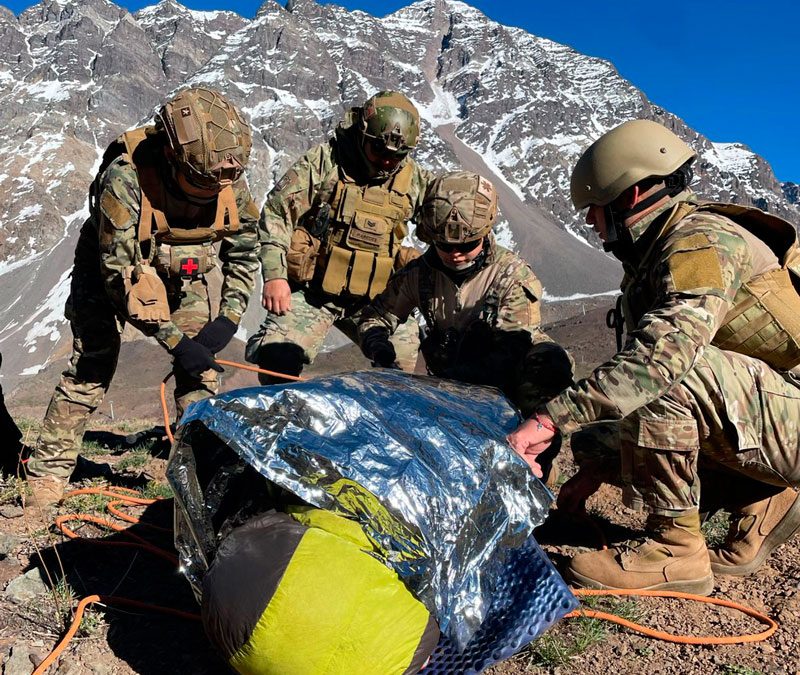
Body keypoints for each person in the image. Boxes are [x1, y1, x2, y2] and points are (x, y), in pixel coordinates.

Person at [508, 119, 800, 594]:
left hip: (787, 414)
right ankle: (760, 492)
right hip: (773, 413)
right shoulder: (656, 253)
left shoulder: (700, 241)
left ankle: (678, 554)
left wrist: (548, 419)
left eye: (595, 209)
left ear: (632, 195)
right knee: (598, 441)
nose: (589, 223)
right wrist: (592, 470)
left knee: (659, 376)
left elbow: (662, 362)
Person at [26, 87, 260, 509]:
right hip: (109, 270)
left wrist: (228, 318)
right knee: (92, 365)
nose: (211, 192)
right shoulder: (126, 178)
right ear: (173, 157)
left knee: (203, 374)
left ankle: (199, 477)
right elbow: (118, 277)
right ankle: (47, 475)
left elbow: (244, 250)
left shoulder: (228, 179)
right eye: (199, 182)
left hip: (182, 276)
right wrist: (176, 341)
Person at [358, 171, 572, 480]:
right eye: (445, 245)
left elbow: (510, 353)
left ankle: (540, 472)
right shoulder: (420, 275)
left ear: (485, 233)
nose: (455, 254)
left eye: (467, 243)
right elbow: (375, 317)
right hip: (451, 386)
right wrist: (378, 344)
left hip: (507, 385)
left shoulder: (512, 276)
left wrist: (438, 388)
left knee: (548, 362)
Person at [245, 91, 433, 382]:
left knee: (399, 374)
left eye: (396, 157)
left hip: (376, 302)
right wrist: (275, 276)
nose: (386, 162)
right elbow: (277, 212)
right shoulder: (325, 162)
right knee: (276, 360)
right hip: (313, 293)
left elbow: (443, 224)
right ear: (362, 136)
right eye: (378, 152)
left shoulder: (415, 180)